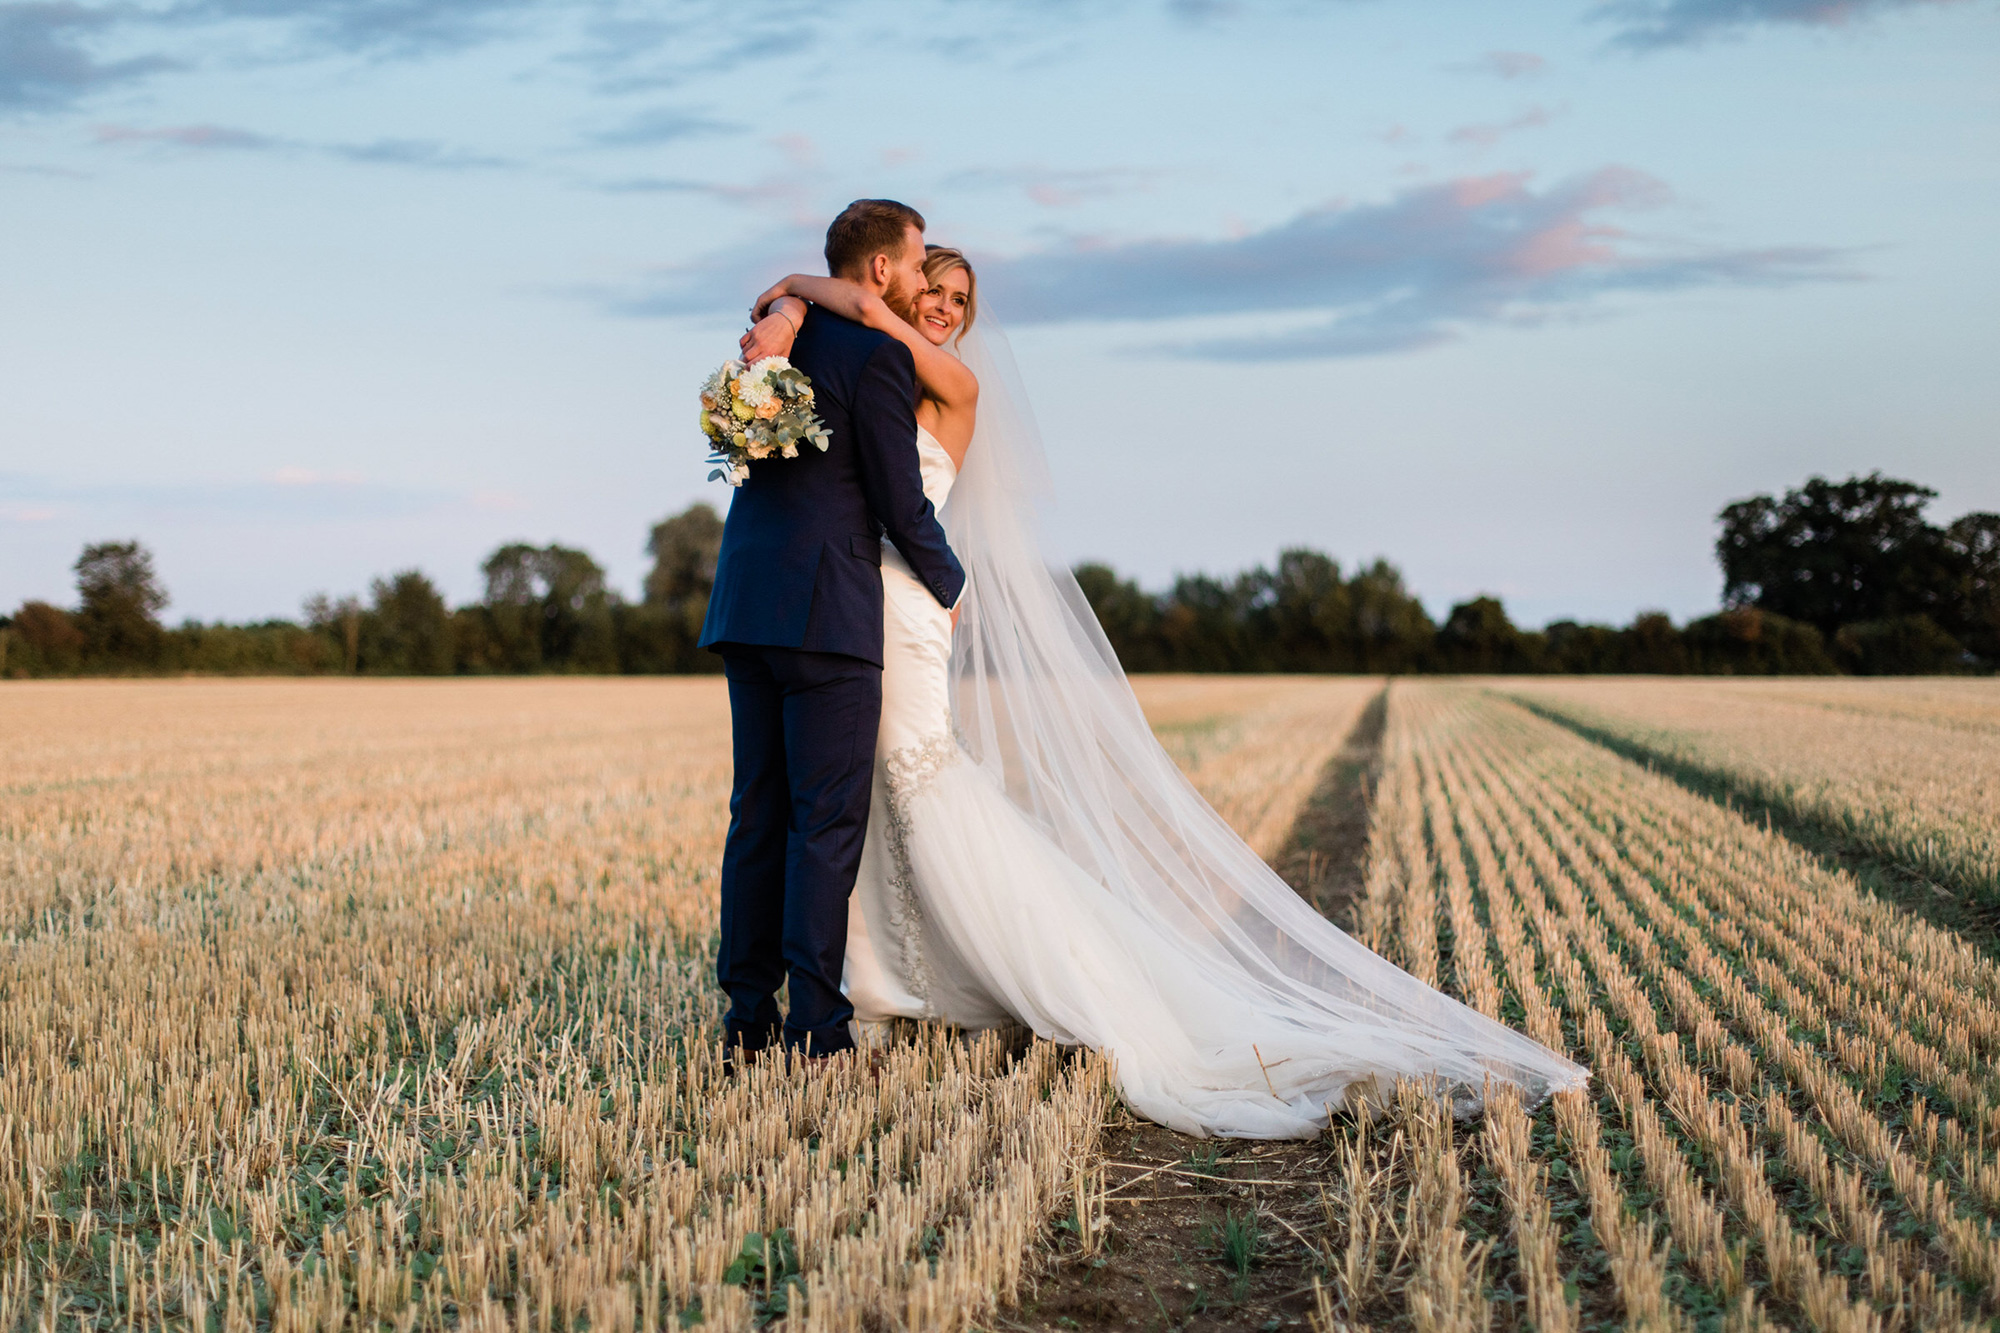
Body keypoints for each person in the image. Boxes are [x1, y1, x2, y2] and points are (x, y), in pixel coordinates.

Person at [736, 243, 1589, 1138]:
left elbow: (870, 325)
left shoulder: (944, 379)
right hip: (847, 601)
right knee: (861, 798)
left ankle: (1016, 979)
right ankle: (880, 988)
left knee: (915, 780)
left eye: (960, 298)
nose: (943, 306)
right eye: (933, 288)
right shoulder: (873, 368)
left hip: (903, 598)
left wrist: (793, 292)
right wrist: (796, 312)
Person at [698, 199, 965, 1062]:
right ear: (882, 270)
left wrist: (783, 302)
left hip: (746, 599)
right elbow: (899, 498)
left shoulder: (773, 340)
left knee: (757, 813)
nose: (925, 280)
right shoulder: (875, 353)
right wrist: (951, 580)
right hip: (829, 612)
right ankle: (815, 1022)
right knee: (825, 823)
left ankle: (746, 1014)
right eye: (918, 263)